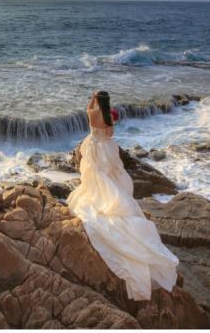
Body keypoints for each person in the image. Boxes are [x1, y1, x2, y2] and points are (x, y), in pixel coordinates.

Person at [67, 91, 179, 301]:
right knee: (111, 180)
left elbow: (90, 109)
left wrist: (93, 97)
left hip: (91, 146)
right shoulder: (108, 118)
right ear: (107, 102)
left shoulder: (92, 112)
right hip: (104, 148)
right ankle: (112, 202)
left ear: (96, 101)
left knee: (94, 179)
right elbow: (109, 135)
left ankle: (99, 198)